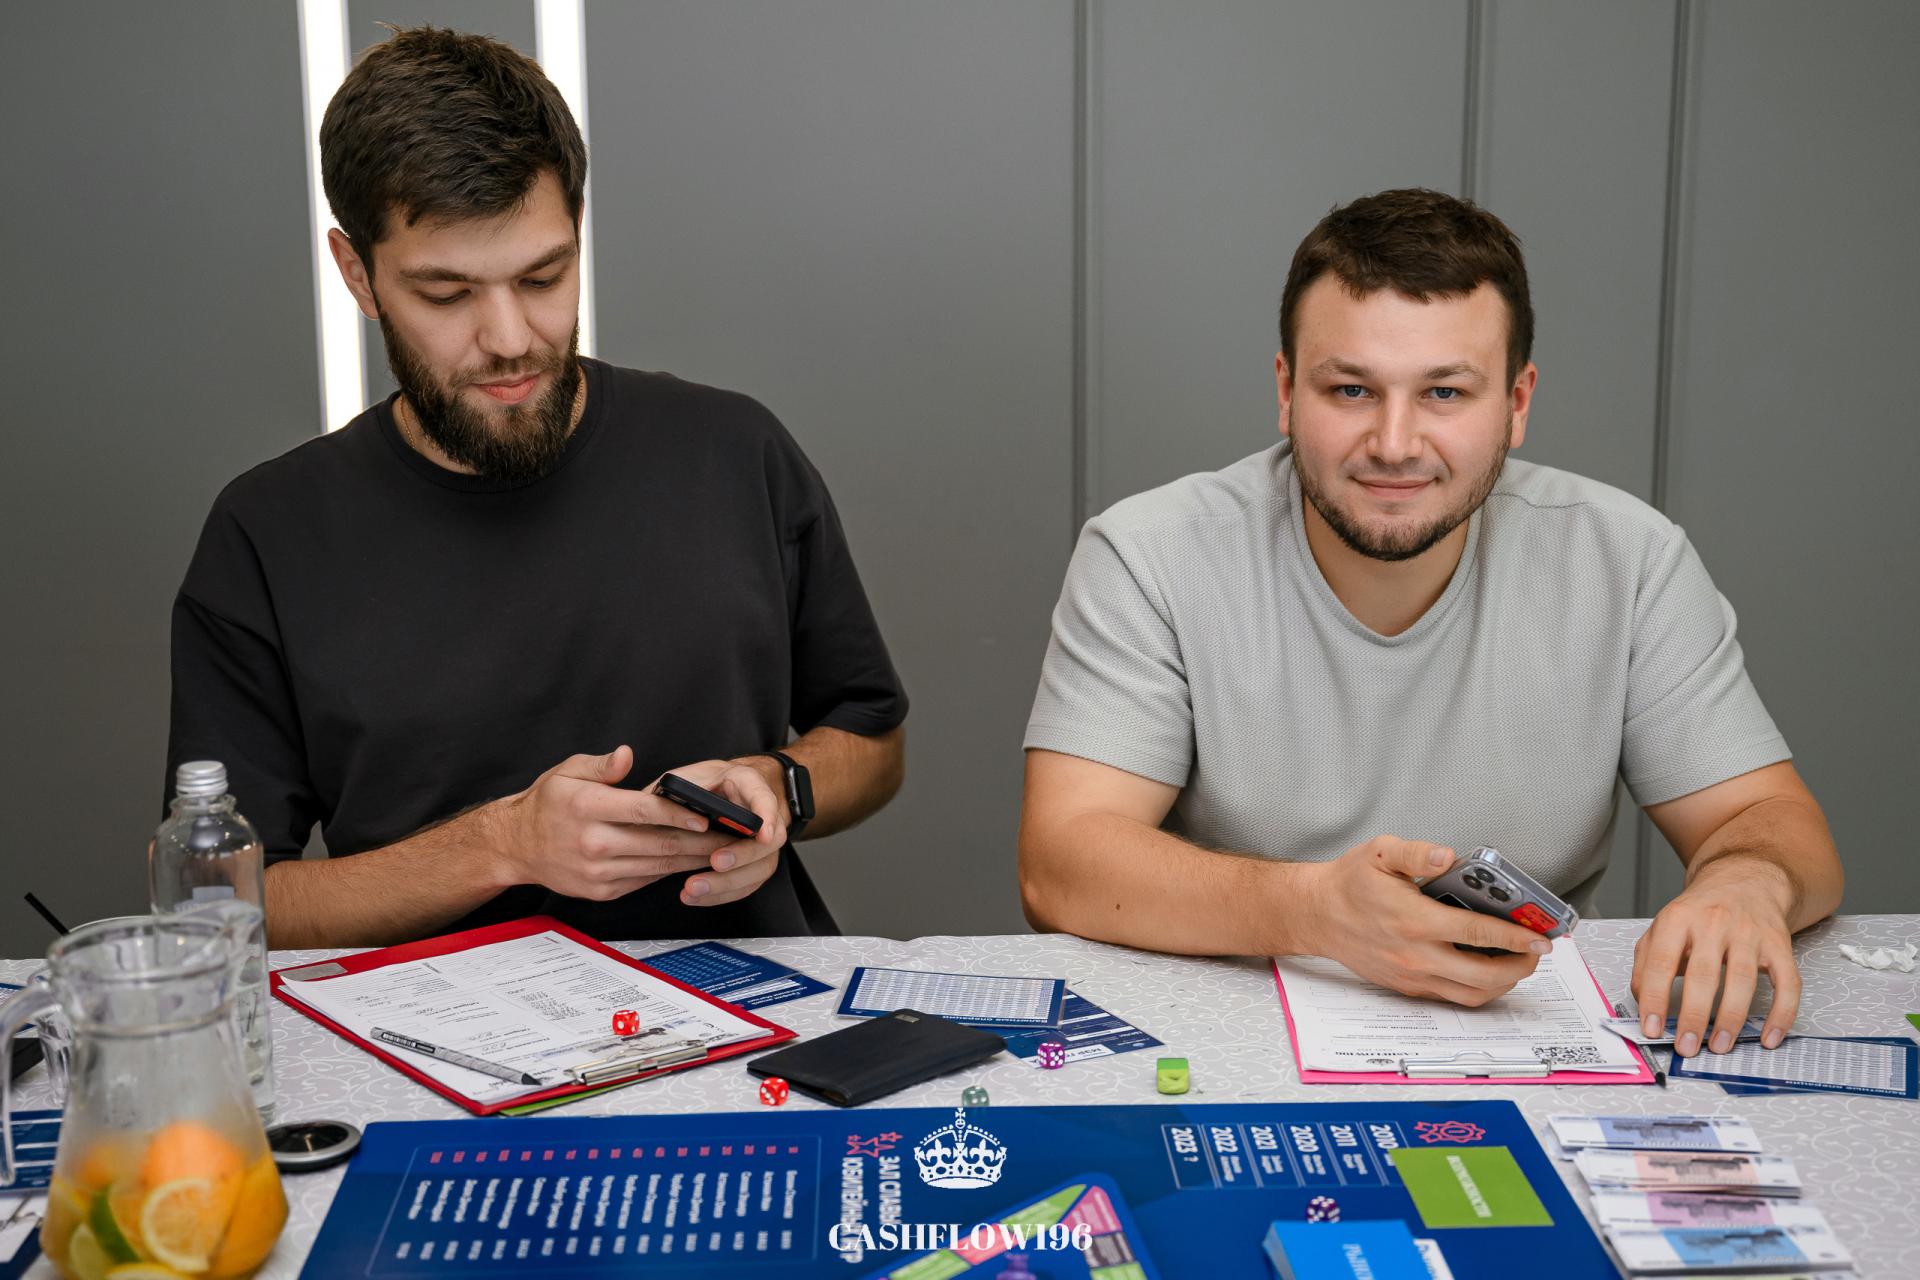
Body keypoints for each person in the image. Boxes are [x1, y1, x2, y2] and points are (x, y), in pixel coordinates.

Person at [1019, 188, 1840, 1059]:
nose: (1395, 442)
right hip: (1221, 1033)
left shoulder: (1630, 560)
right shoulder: (1149, 554)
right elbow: (1060, 863)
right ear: (1287, 391)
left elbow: (1769, 817)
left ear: (1517, 402)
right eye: (1350, 389)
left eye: (1445, 392)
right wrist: (1311, 911)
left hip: (1531, 1033)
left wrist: (1748, 881)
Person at [166, 27, 906, 947]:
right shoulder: (267, 533)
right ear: (358, 274)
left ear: (578, 230)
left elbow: (872, 740)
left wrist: (779, 786)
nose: (511, 338)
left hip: (747, 1010)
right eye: (447, 295)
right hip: (430, 1028)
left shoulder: (734, 450)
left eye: (543, 276)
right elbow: (224, 908)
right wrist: (503, 846)